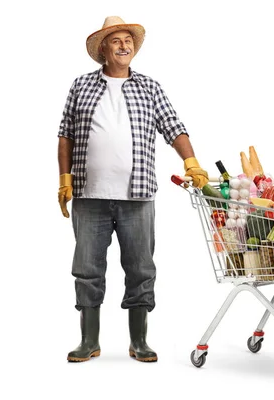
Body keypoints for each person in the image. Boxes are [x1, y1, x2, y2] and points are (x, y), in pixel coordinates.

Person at [57, 16, 208, 363]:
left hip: (137, 197)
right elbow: (65, 134)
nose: (124, 45)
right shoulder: (80, 86)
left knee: (141, 267)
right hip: (89, 195)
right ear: (103, 50)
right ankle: (88, 341)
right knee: (87, 269)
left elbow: (173, 126)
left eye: (128, 40)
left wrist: (191, 162)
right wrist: (64, 180)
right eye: (116, 41)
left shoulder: (150, 87)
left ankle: (139, 341)